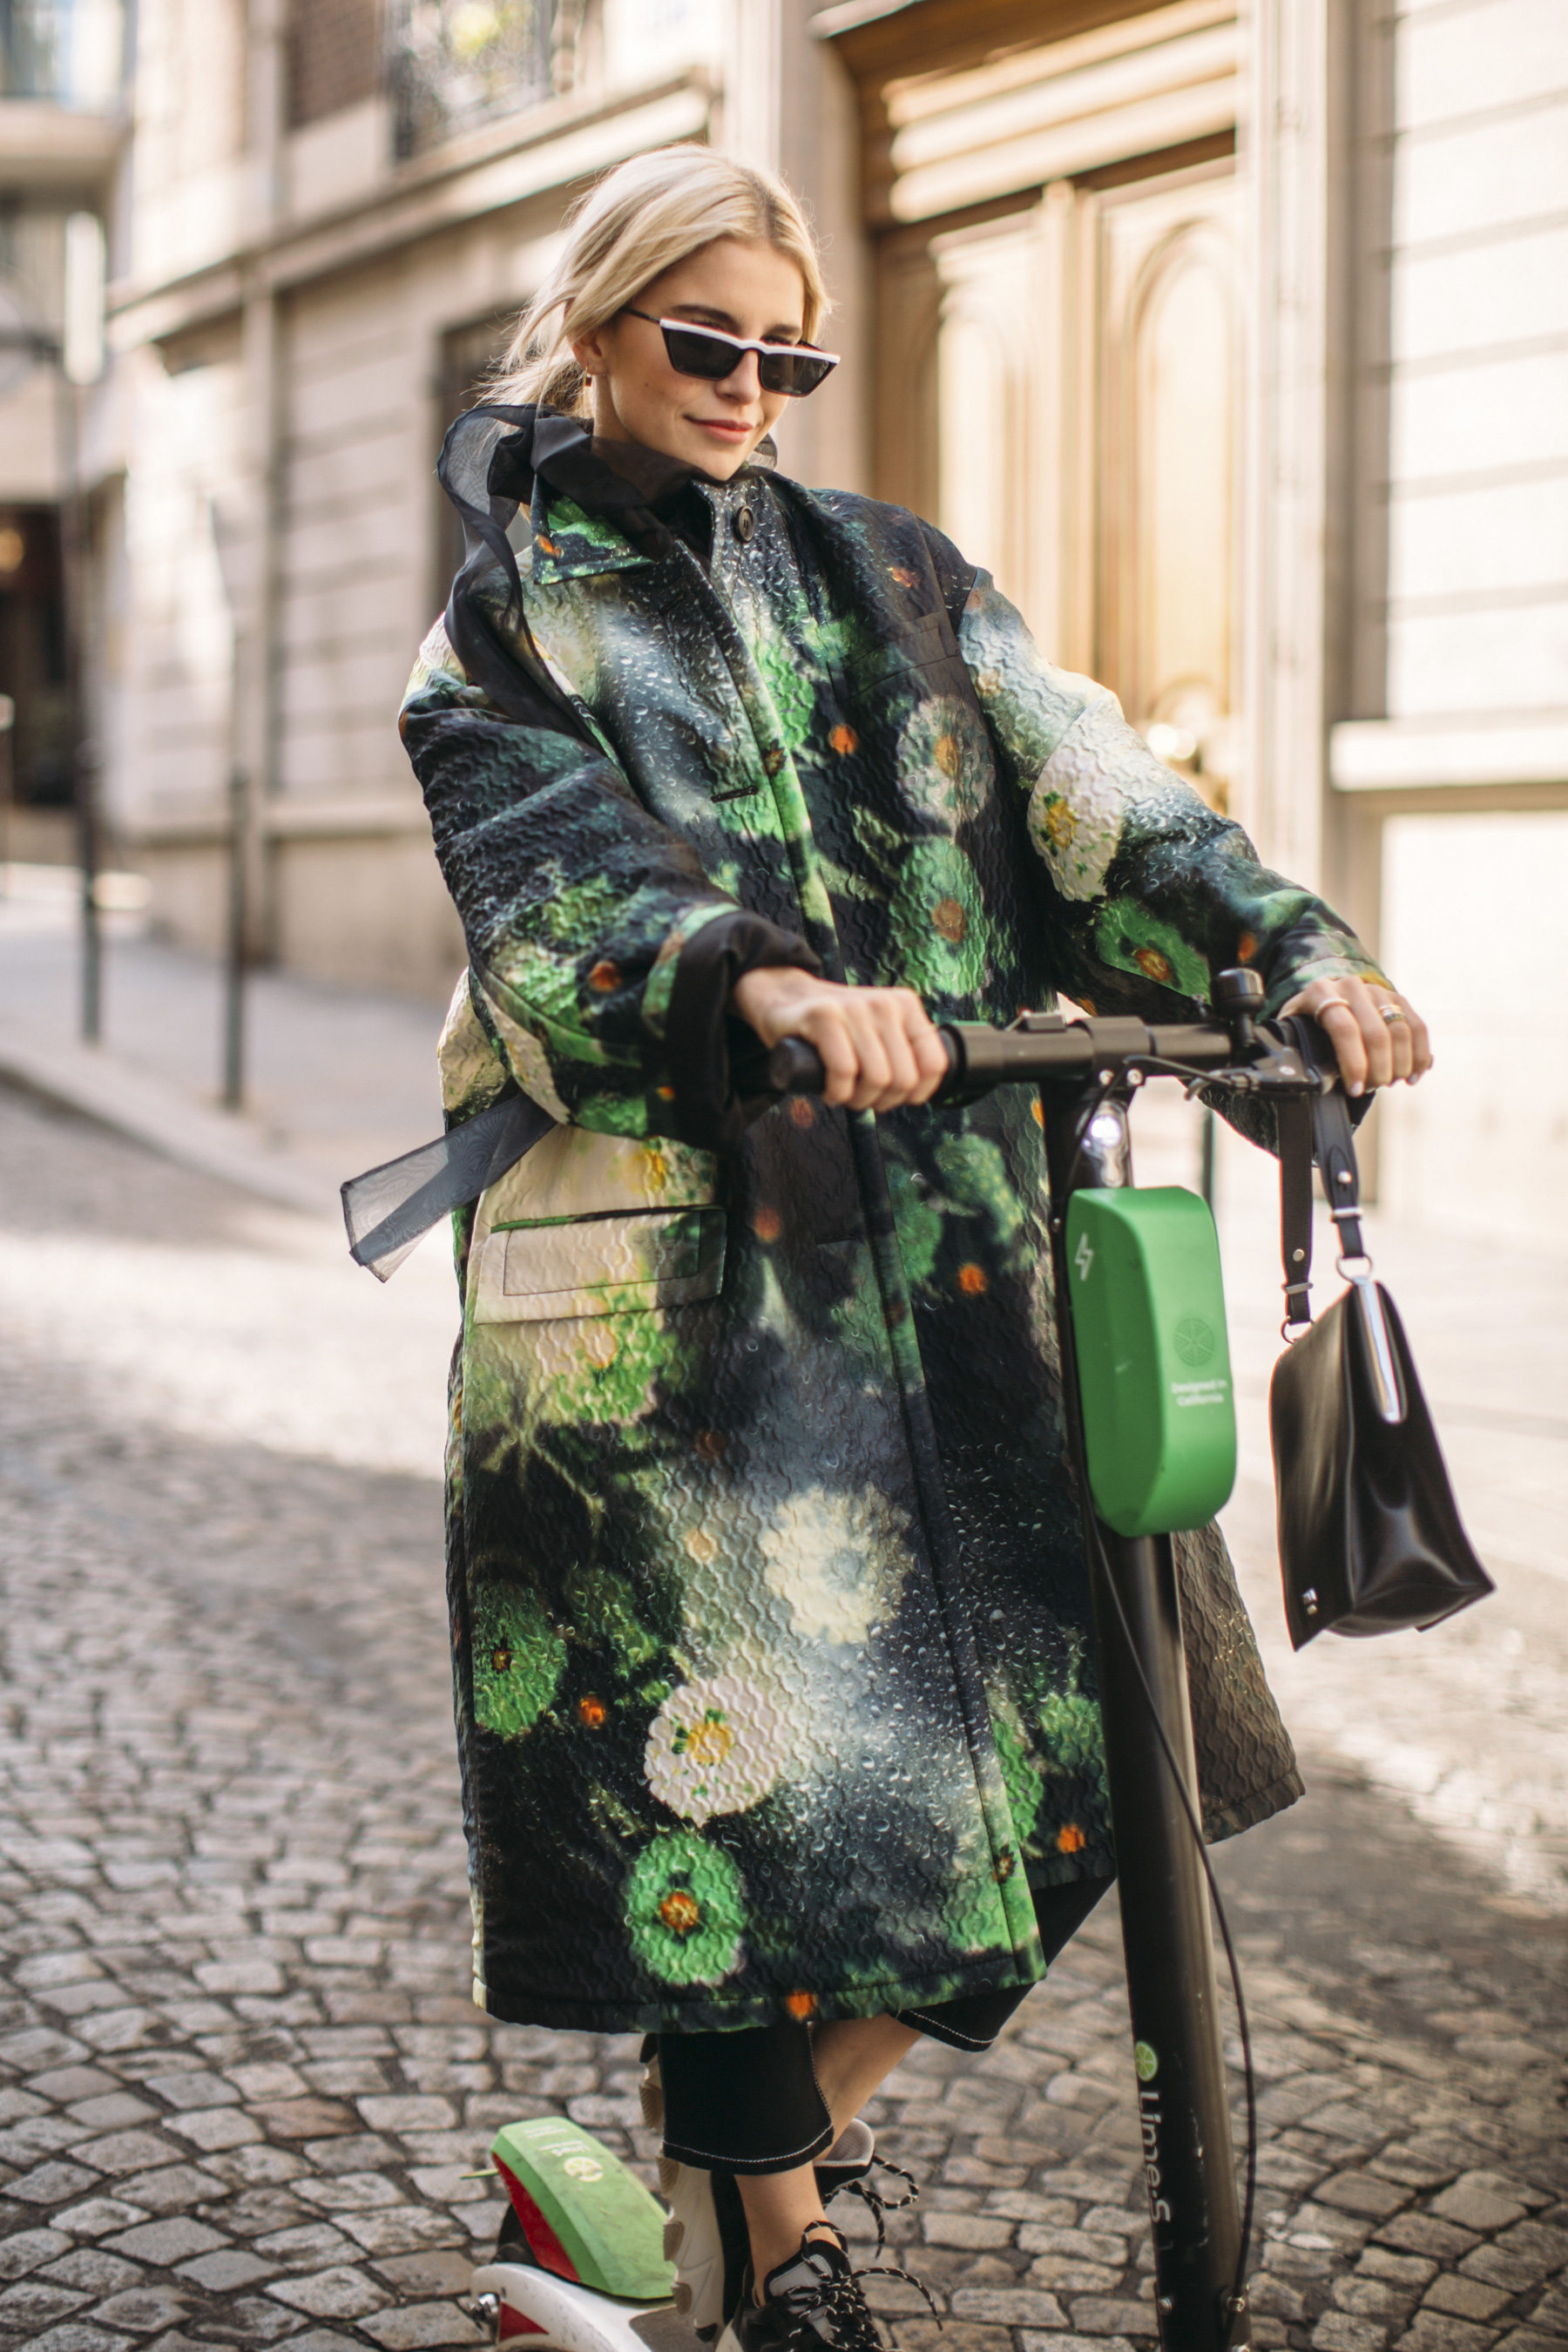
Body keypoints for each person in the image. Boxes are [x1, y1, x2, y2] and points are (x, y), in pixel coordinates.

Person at [398, 143, 1431, 2352]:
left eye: (789, 355)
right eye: (708, 340)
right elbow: (556, 885)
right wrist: (758, 984)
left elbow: (1091, 793)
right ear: (599, 326)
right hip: (669, 1306)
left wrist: (1289, 950)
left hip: (958, 1258)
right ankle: (788, 2264)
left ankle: (714, 2201)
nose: (750, 385)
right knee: (726, 1796)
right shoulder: (511, 620)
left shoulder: (898, 576)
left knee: (1119, 1742)